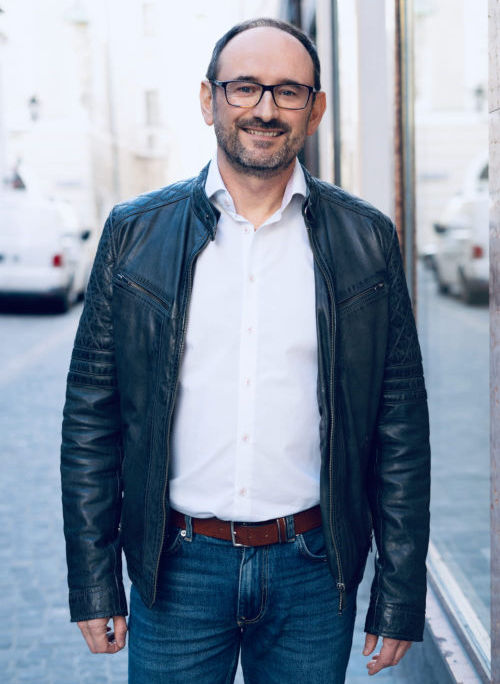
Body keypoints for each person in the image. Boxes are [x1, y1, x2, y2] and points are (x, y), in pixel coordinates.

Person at [61, 17, 430, 684]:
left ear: (316, 109)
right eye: (244, 87)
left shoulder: (367, 241)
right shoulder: (134, 234)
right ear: (209, 100)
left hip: (314, 572)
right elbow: (92, 418)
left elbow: (399, 426)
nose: (265, 108)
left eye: (288, 91)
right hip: (177, 569)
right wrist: (94, 581)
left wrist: (399, 594)